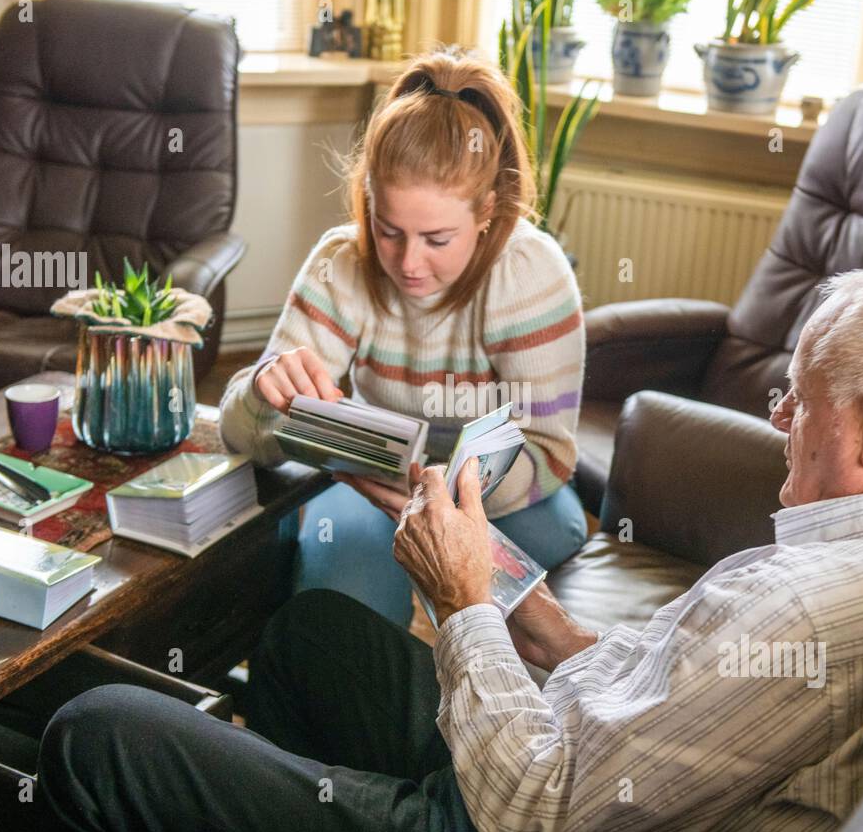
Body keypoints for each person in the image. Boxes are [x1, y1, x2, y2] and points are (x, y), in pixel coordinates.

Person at [38, 260, 863, 832]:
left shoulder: (808, 607)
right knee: (312, 633)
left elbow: (537, 807)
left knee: (97, 725)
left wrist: (464, 600)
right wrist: (524, 605)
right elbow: (662, 705)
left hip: (511, 809)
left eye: (797, 400)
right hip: (556, 752)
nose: (779, 422)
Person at [217, 47, 587, 628]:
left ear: (488, 210)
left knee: (530, 578)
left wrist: (441, 505)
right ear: (368, 201)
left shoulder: (528, 273)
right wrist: (263, 392)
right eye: (389, 231)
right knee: (339, 605)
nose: (408, 263)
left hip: (501, 497)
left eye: (437, 239)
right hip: (375, 487)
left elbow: (547, 451)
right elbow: (243, 437)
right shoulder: (342, 261)